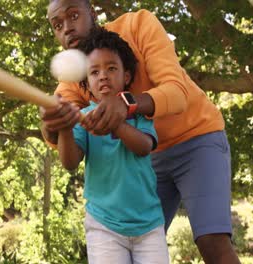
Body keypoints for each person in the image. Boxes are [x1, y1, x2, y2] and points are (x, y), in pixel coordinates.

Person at [42, 0, 241, 263]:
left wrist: (126, 104)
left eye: (74, 16)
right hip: (146, 157)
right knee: (135, 245)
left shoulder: (138, 25)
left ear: (92, 13)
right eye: (57, 26)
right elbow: (60, 134)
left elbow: (176, 92)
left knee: (211, 241)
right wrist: (50, 123)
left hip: (197, 138)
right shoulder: (76, 76)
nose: (67, 29)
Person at [58, 27, 169, 263]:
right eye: (94, 71)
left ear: (126, 76)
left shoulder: (139, 115)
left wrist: (115, 123)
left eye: (111, 68)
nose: (103, 76)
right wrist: (65, 128)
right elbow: (69, 162)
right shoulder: (83, 117)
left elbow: (144, 147)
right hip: (103, 225)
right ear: (87, 82)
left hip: (148, 225)